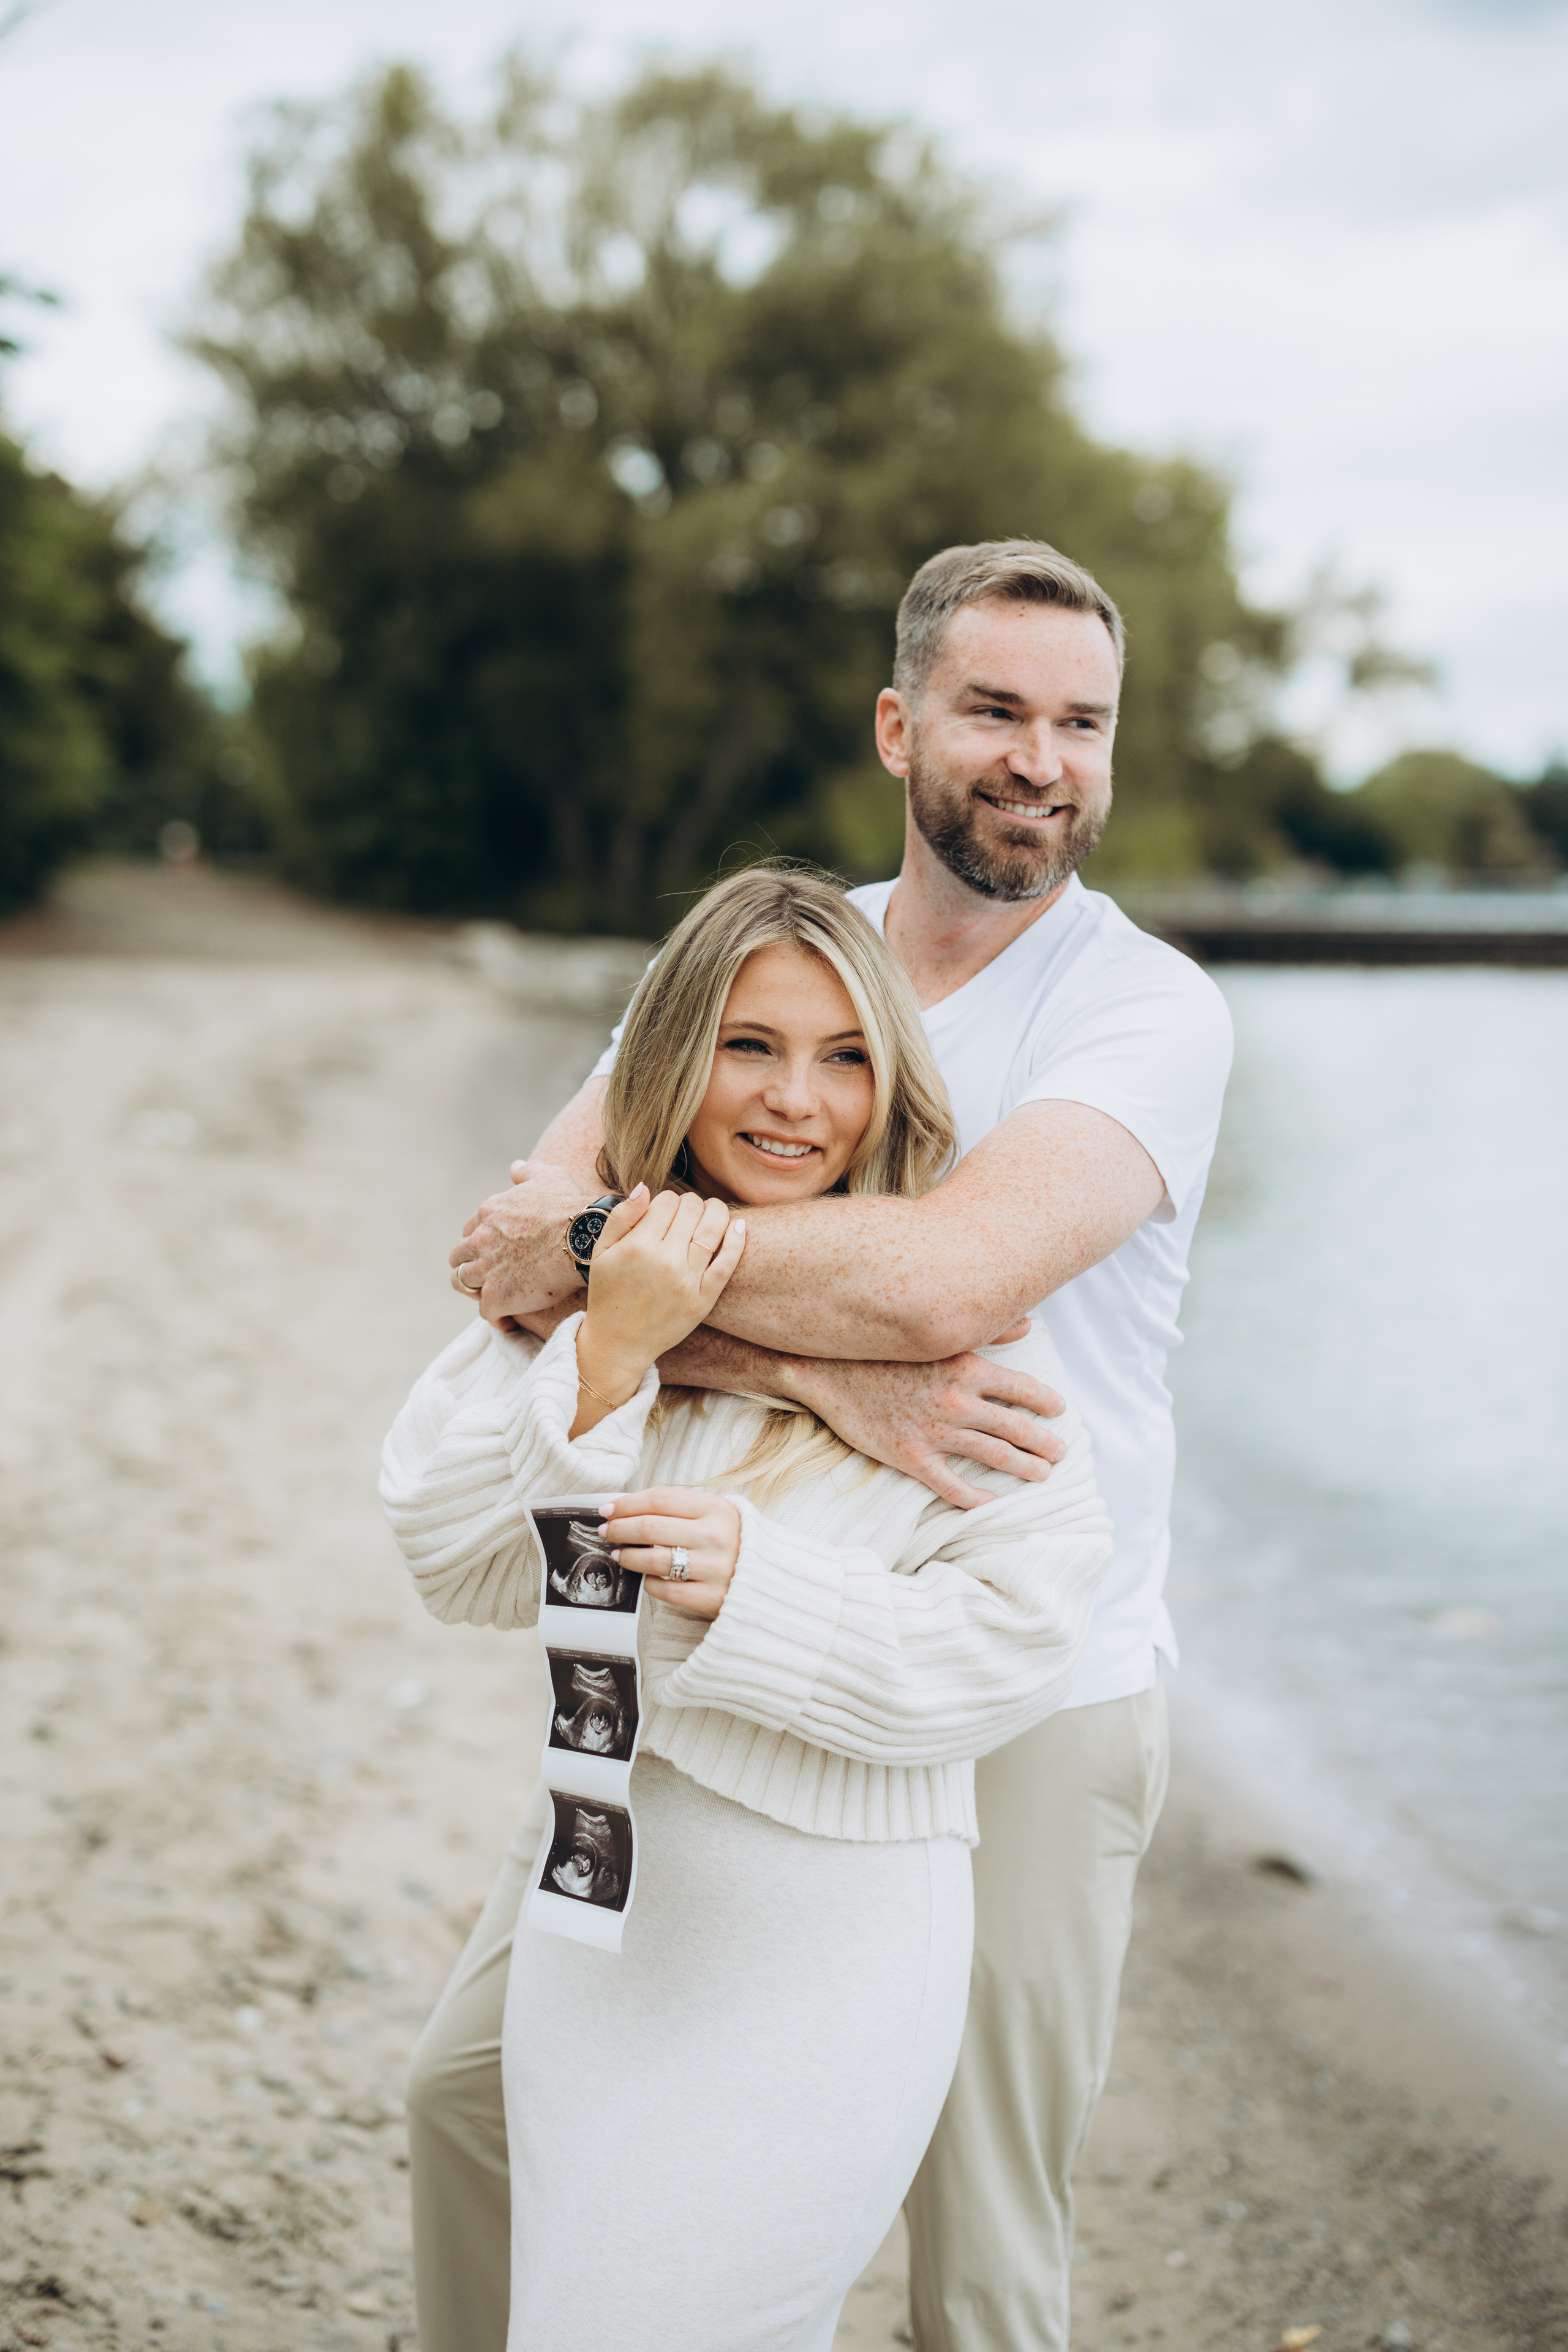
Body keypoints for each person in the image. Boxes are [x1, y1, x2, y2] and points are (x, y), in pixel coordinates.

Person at [429, 539, 1235, 2352]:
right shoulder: (763, 963)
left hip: (1019, 1666)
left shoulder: (1144, 1008)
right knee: (470, 2101)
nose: (1041, 759)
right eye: (997, 710)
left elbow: (951, 1275)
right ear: (899, 724)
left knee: (978, 2253)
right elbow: (513, 1244)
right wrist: (814, 1375)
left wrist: (634, 1284)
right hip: (703, 1638)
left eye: (1082, 724)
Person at [382, 866, 1114, 2352]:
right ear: (670, 1059)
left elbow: (1016, 1643)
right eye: (750, 1045)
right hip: (595, 1945)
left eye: (845, 1056)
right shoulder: (591, 1312)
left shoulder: (948, 1357)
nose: (797, 1101)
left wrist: (764, 1598)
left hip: (826, 1972)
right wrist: (608, 1367)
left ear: (891, 1080)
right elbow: (452, 1558)